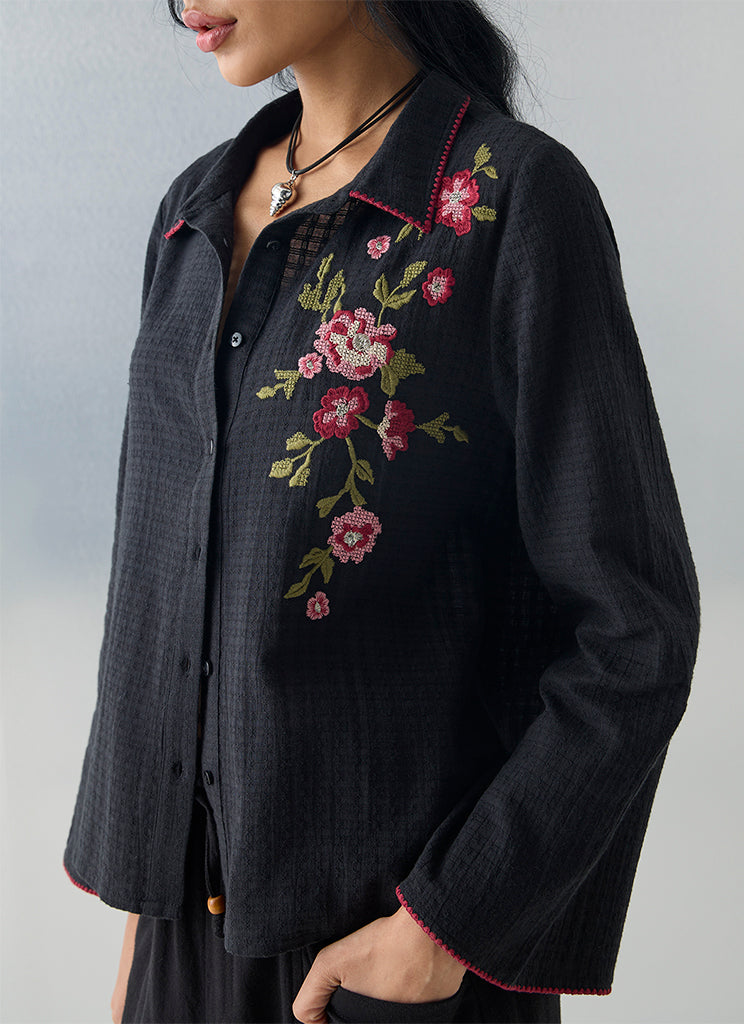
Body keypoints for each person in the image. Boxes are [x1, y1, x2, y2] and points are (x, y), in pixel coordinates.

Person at [61, 2, 701, 1023]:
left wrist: (447, 925)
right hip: (180, 950)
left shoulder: (510, 202)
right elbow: (157, 580)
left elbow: (636, 629)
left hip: (385, 966)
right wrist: (143, 922)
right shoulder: (193, 210)